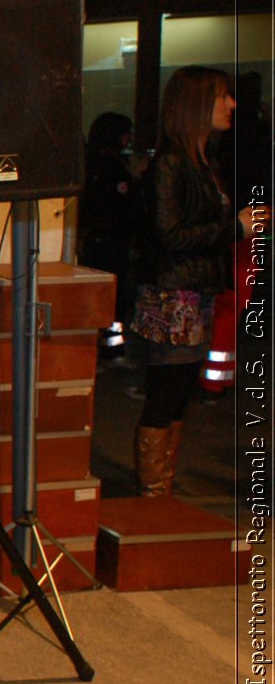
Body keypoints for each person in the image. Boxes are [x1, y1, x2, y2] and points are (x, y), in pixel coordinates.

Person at [131, 66, 259, 495]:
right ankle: (153, 489)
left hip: (195, 290)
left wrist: (240, 224)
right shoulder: (171, 164)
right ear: (198, 104)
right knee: (167, 391)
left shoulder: (202, 160)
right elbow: (169, 233)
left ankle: (161, 484)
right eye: (224, 96)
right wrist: (235, 228)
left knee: (180, 391)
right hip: (173, 294)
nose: (232, 105)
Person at [79, 112, 142, 356]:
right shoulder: (112, 165)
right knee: (113, 298)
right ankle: (111, 350)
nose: (129, 139)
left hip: (97, 239)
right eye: (126, 133)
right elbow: (121, 204)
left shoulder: (92, 162)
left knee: (102, 296)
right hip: (112, 239)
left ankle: (103, 348)